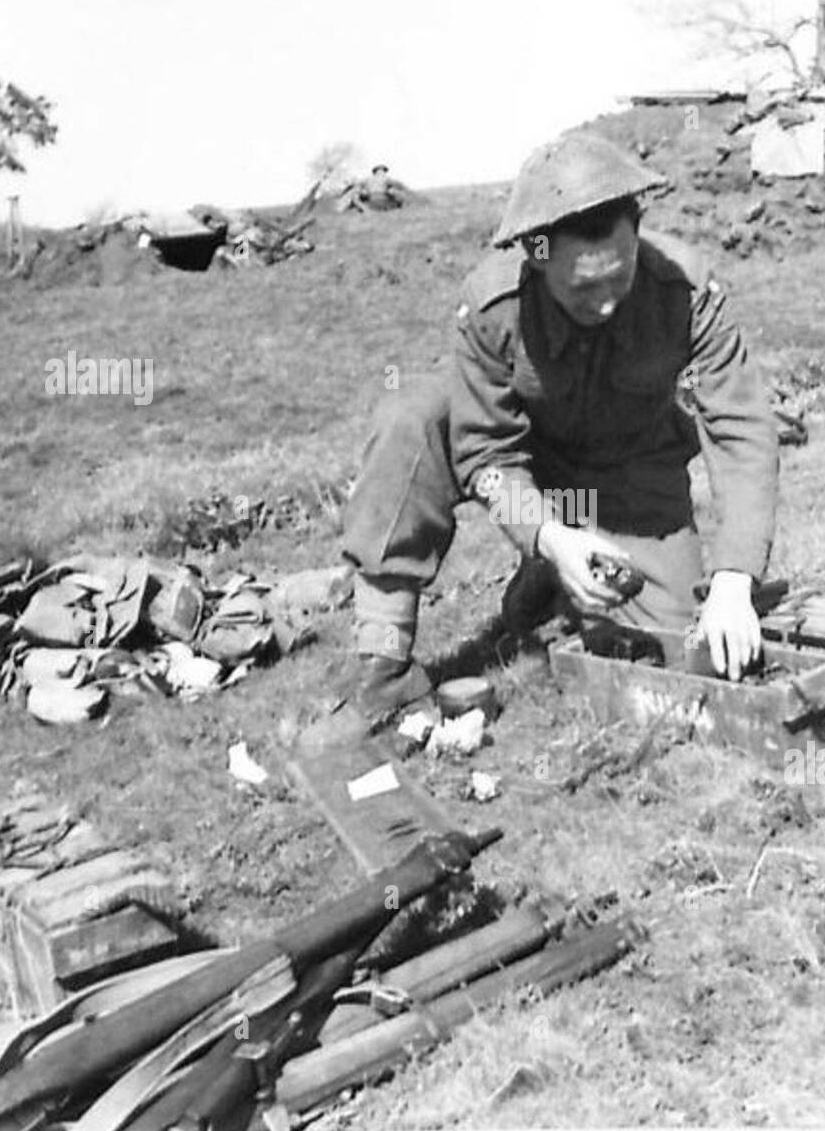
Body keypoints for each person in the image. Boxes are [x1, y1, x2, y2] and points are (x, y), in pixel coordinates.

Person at [333, 131, 780, 730]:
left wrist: (733, 580)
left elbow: (741, 427)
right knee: (410, 416)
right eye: (582, 288)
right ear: (537, 257)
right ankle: (383, 662)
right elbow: (486, 454)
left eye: (618, 277)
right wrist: (546, 533)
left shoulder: (688, 292)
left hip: (627, 473)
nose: (605, 303)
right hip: (528, 467)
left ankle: (550, 582)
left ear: (637, 231)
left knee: (676, 649)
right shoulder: (492, 307)